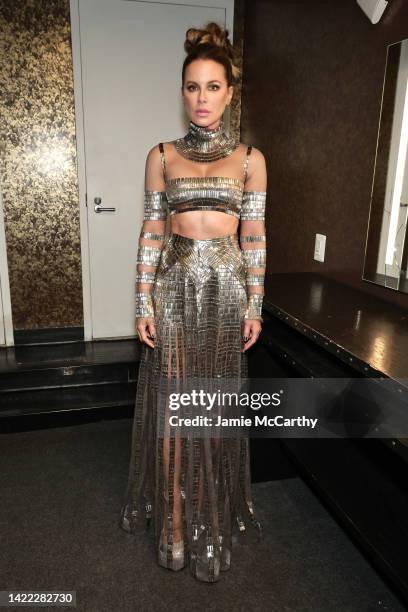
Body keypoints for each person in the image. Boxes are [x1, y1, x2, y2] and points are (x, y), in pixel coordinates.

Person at [119, 21, 267, 583]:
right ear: (182, 92)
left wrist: (255, 304)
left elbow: (253, 237)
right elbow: (152, 232)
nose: (201, 98)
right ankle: (176, 524)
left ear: (230, 92)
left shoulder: (252, 159)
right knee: (176, 410)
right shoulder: (161, 155)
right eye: (191, 87)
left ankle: (212, 515)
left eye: (212, 86)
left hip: (227, 293)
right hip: (176, 292)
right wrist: (142, 302)